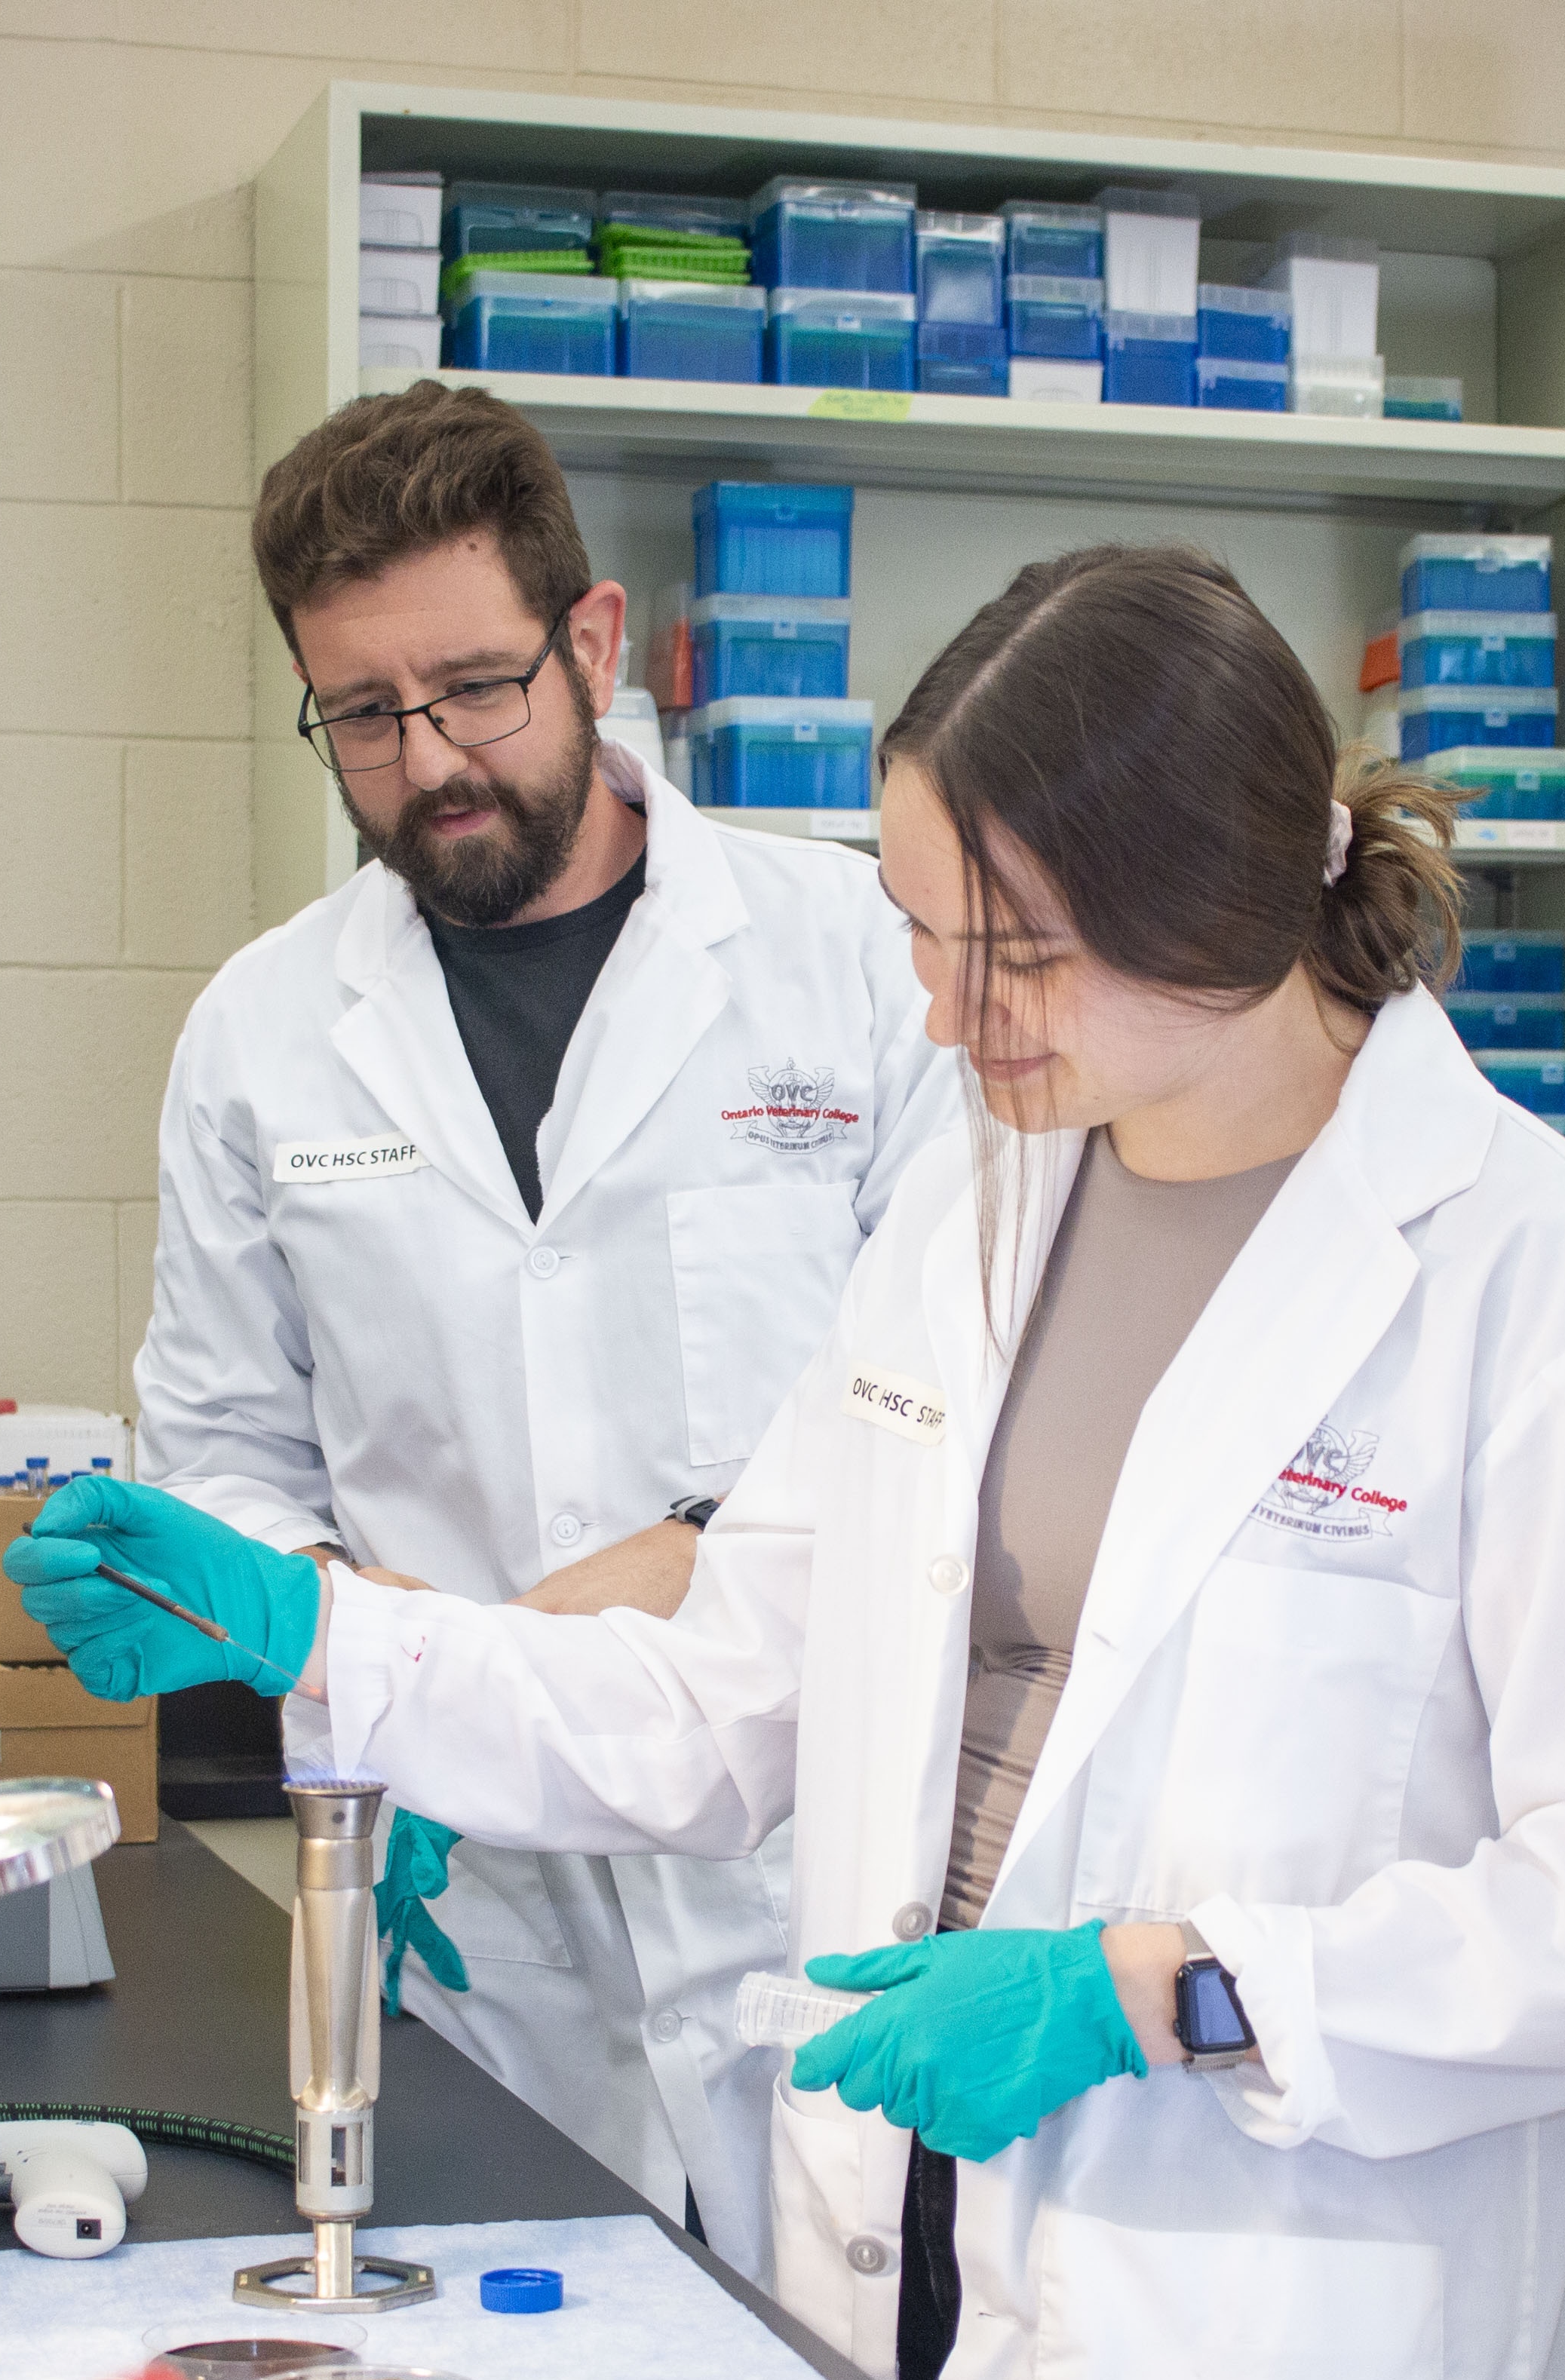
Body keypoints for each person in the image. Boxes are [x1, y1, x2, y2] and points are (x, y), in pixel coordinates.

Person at [13, 544, 1565, 2380]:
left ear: (1218, 899)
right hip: (903, 2219)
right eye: (927, 938)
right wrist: (334, 1645)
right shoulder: (974, 1219)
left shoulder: (1542, 1285)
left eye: (1008, 952)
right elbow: (724, 1693)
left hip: (1256, 2318)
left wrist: (1168, 1988)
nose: (945, 1020)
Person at [128, 381, 953, 2266]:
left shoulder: (852, 965)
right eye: (359, 712)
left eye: (474, 687)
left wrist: (615, 1594)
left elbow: (943, 1422)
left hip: (804, 1884)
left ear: (590, 641)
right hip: (467, 1911)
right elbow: (226, 1456)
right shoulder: (258, 1035)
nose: (425, 760)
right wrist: (352, 1681)